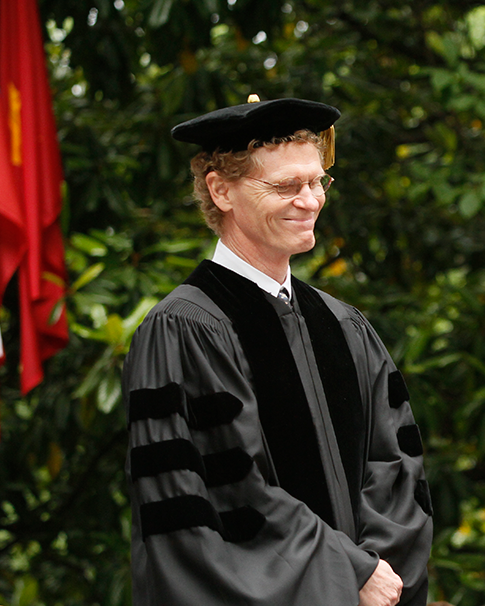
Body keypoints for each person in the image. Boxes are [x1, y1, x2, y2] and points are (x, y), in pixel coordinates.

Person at [122, 97, 433, 606]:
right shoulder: (185, 329)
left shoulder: (343, 325)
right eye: (287, 186)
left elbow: (396, 468)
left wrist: (382, 575)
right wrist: (349, 573)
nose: (309, 201)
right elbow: (224, 496)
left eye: (316, 182)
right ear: (221, 191)